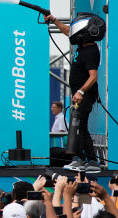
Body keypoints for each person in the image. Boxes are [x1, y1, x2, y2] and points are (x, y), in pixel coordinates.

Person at [45, 12, 105, 172]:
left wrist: (80, 92)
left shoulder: (91, 51)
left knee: (80, 126)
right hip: (80, 95)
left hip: (85, 95)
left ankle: (91, 161)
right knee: (78, 125)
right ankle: (80, 159)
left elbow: (93, 77)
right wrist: (54, 20)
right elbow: (67, 31)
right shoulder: (82, 46)